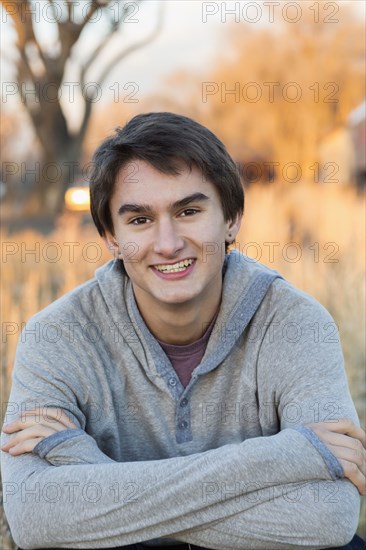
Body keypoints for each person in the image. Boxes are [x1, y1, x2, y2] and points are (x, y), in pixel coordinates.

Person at [1, 112, 365, 550]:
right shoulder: (55, 337)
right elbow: (33, 515)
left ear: (231, 218)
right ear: (110, 238)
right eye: (139, 220)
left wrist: (87, 466)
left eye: (188, 211)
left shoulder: (296, 324)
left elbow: (330, 516)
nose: (168, 243)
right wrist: (285, 456)